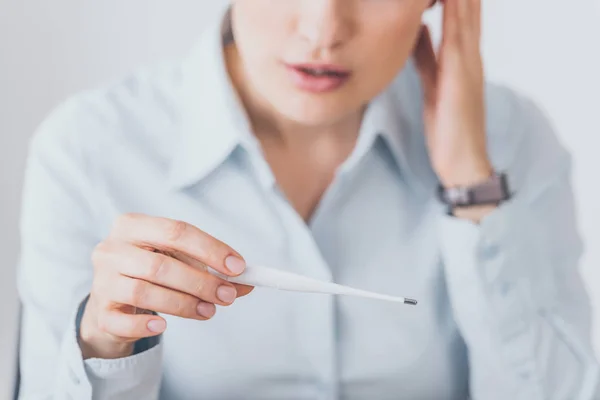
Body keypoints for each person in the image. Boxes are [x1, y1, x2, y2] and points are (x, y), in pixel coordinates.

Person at [16, 0, 599, 399]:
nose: (323, 29)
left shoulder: (511, 141)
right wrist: (102, 346)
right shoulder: (89, 149)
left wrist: (473, 189)